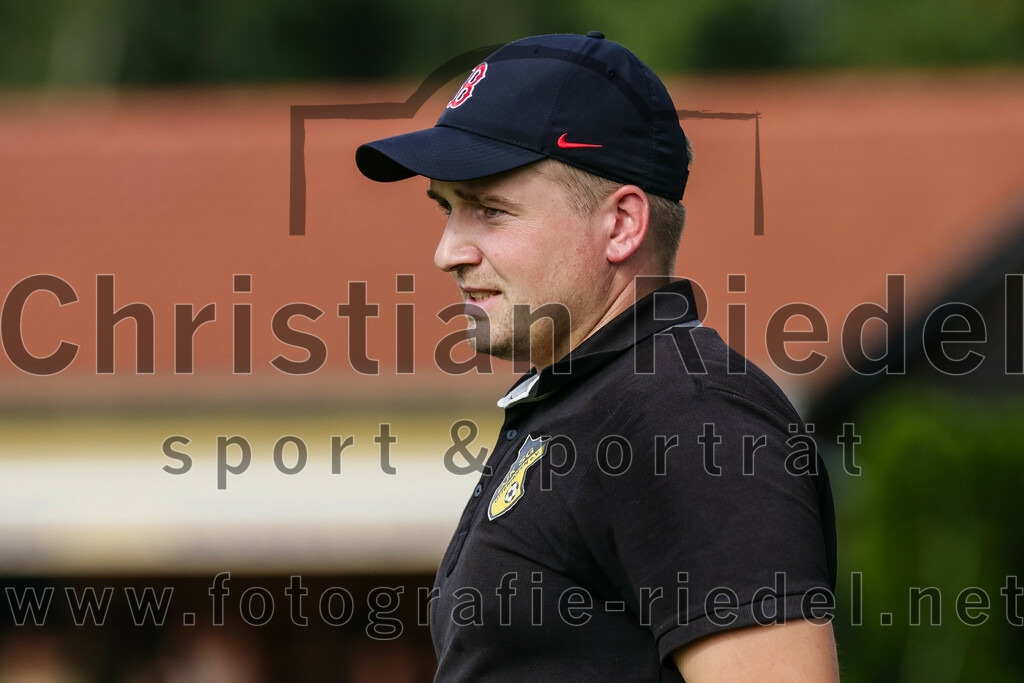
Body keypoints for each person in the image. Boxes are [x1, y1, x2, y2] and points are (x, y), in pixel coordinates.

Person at [356, 32, 838, 682]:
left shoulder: (686, 419)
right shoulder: (596, 399)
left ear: (622, 225)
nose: (448, 252)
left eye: (490, 210)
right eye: (447, 208)